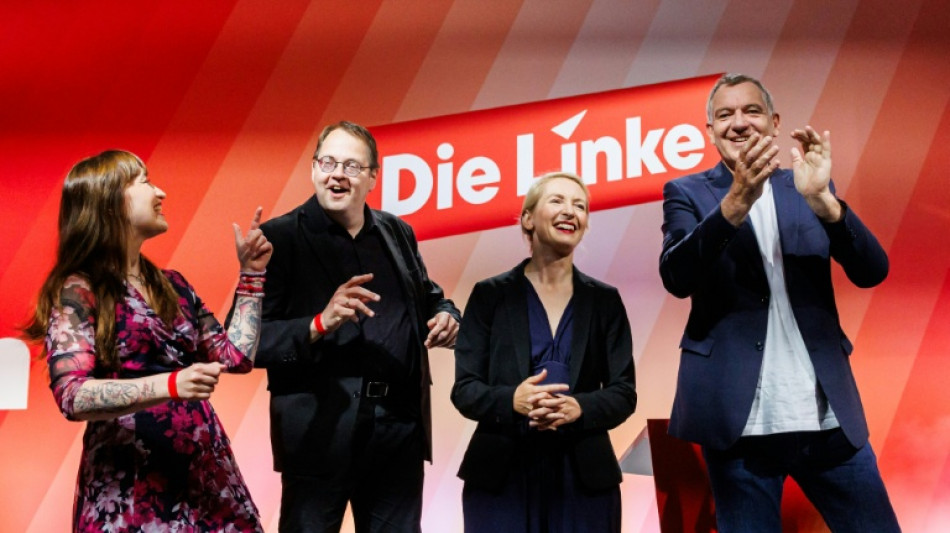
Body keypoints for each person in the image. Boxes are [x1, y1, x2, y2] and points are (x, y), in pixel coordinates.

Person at [659, 73, 901, 532]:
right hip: (739, 427)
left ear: (774, 123)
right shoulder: (687, 192)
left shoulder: (806, 186)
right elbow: (676, 276)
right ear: (710, 131)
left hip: (827, 417)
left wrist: (826, 204)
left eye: (751, 111)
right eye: (725, 115)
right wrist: (735, 202)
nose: (738, 123)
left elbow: (873, 271)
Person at [23, 150, 272, 531]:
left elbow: (234, 357)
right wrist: (171, 385)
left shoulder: (173, 284)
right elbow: (72, 395)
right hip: (134, 487)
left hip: (206, 478)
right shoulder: (78, 290)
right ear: (109, 201)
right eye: (144, 181)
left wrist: (251, 276)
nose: (160, 192)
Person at [249, 121, 461, 532]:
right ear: (313, 168)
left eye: (351, 165)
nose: (337, 174)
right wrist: (318, 323)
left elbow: (430, 296)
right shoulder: (279, 237)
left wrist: (447, 315)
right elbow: (247, 343)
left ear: (373, 177)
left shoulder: (397, 231)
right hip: (318, 433)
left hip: (398, 428)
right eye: (328, 162)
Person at [452, 172, 637, 533]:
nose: (570, 211)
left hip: (584, 479)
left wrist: (580, 408)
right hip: (501, 477)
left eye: (580, 206)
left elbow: (623, 392)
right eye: (557, 201)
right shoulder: (490, 295)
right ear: (527, 219)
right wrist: (512, 401)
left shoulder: (605, 300)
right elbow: (465, 389)